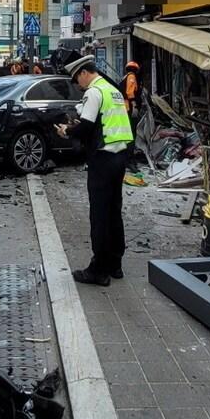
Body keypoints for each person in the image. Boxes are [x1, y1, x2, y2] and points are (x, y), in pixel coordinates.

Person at [55, 57, 133, 286]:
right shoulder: (112, 90)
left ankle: (98, 270)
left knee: (99, 215)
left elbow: (86, 125)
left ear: (83, 73)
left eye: (76, 79)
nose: (78, 85)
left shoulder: (95, 91)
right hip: (120, 156)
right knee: (113, 211)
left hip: (103, 158)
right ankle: (115, 264)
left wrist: (67, 131)